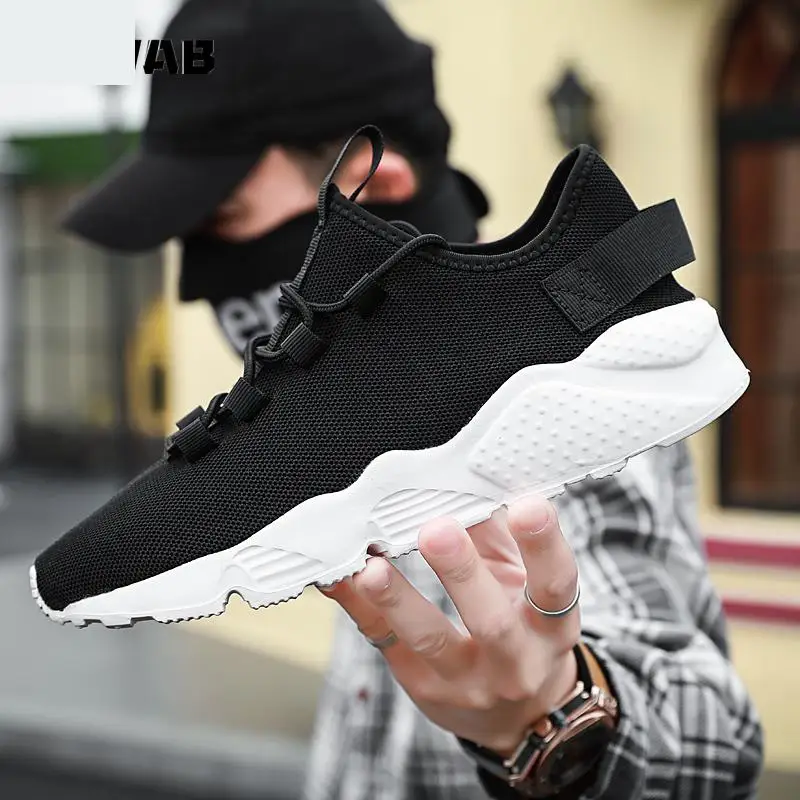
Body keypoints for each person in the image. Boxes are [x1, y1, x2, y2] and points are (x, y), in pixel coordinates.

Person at [62, 1, 763, 798]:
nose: (199, 282)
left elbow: (712, 735)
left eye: (224, 219)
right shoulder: (359, 415)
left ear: (374, 191)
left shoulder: (542, 408)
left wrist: (557, 714)